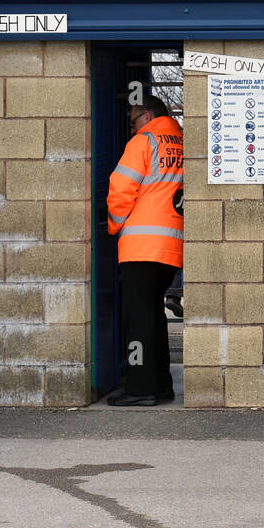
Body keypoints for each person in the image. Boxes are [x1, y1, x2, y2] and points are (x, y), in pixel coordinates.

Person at [106, 96, 183, 406]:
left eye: (134, 118)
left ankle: (140, 388)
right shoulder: (180, 142)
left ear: (148, 116)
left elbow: (120, 186)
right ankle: (161, 386)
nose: (132, 124)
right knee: (154, 319)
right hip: (170, 247)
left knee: (139, 320)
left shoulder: (143, 141)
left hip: (141, 246)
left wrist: (113, 224)